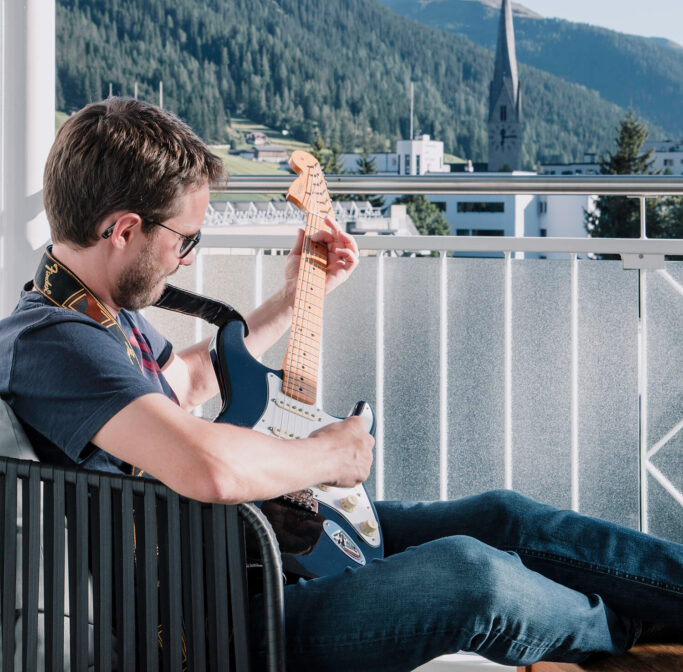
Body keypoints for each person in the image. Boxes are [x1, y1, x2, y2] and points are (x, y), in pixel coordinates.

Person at [0, 97, 680, 672]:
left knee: (501, 515)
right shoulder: (56, 342)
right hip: (226, 624)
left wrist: (294, 299)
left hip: (240, 559)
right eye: (186, 240)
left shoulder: (98, 317)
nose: (184, 257)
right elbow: (204, 467)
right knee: (468, 573)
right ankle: (637, 638)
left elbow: (177, 386)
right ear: (122, 228)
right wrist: (331, 456)